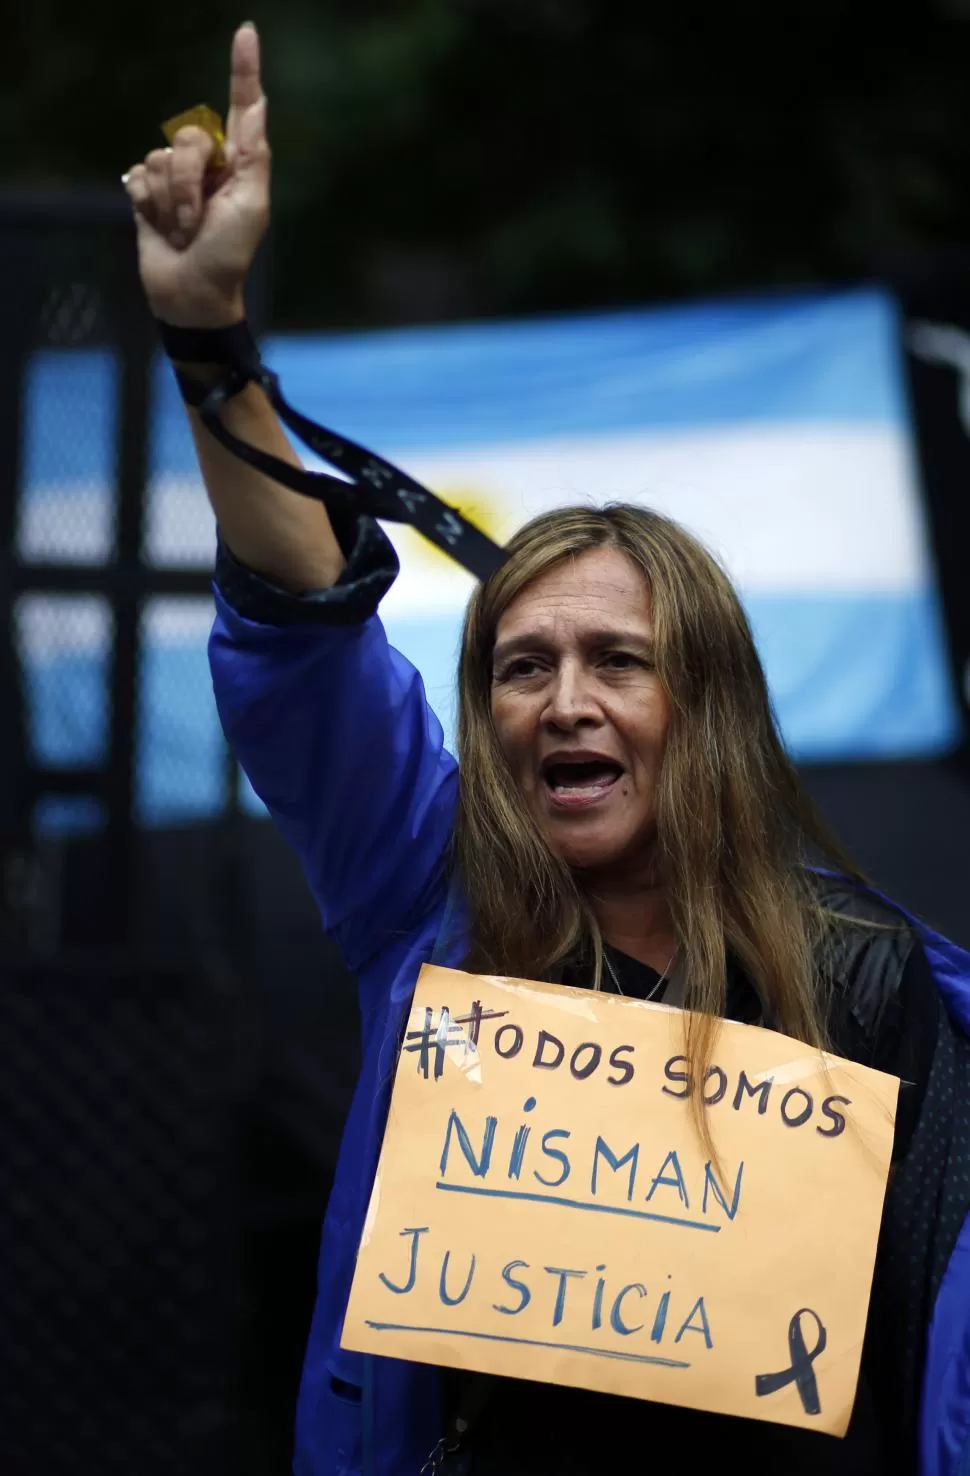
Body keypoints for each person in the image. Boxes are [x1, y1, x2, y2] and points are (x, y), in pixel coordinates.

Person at [124, 23, 970, 1476]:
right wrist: (209, 337)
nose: (561, 700)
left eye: (614, 663)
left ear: (701, 708)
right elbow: (302, 630)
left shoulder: (867, 986)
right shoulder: (432, 900)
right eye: (521, 667)